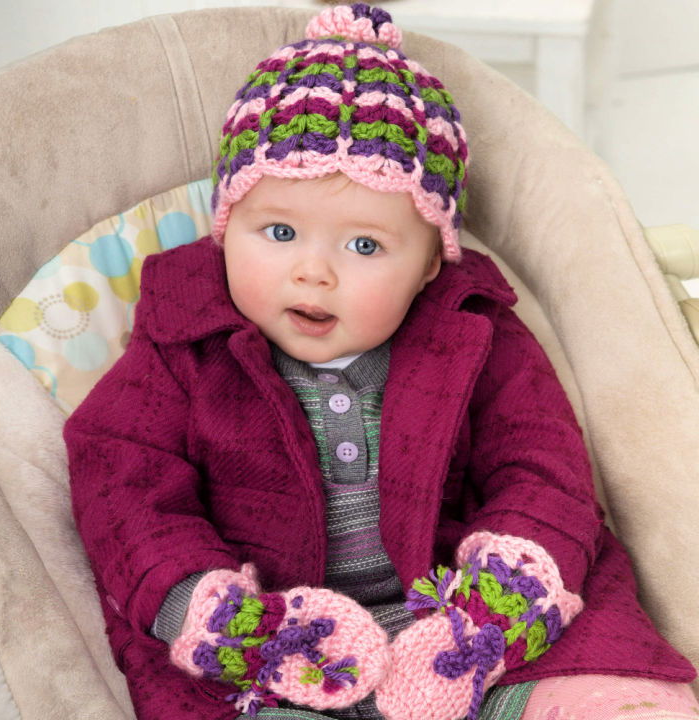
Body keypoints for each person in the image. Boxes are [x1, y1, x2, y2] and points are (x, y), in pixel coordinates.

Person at [63, 4, 697, 720]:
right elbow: (124, 489)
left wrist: (487, 623)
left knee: (611, 694)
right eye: (278, 231)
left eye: (364, 246)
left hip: (462, 629)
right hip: (269, 653)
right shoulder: (182, 340)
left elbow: (545, 471)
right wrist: (219, 617)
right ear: (225, 227)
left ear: (431, 266)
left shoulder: (476, 332)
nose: (314, 272)